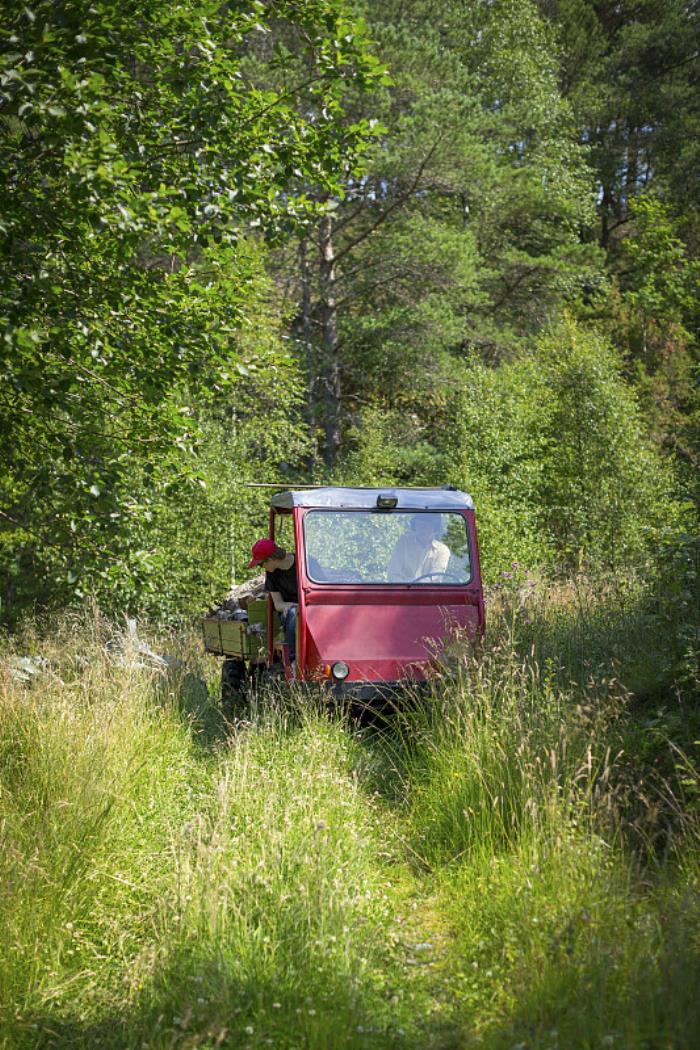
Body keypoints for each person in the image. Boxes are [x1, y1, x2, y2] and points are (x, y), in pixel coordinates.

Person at [248, 538, 298, 660]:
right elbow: (278, 604)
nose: (261, 567)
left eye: (260, 564)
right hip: (289, 612)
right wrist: (292, 606)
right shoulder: (271, 574)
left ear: (271, 559)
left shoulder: (304, 562)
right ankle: (291, 662)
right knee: (293, 614)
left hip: (311, 608)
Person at [387, 513, 450, 582]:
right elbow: (393, 573)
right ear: (414, 526)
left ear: (435, 528)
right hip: (402, 590)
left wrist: (416, 585)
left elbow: (436, 577)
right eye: (419, 524)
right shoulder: (403, 544)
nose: (422, 529)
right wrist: (403, 587)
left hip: (428, 591)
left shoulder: (442, 551)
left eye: (427, 525)